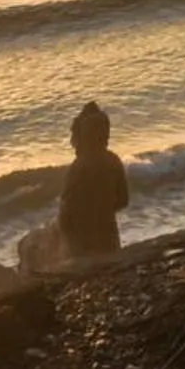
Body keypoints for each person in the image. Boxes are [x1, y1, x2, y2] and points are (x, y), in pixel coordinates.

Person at [18, 100, 128, 274]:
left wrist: (54, 229)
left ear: (83, 136)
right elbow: (123, 200)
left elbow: (66, 218)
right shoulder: (114, 160)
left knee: (27, 245)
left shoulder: (79, 167)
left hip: (81, 247)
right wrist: (101, 212)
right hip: (109, 239)